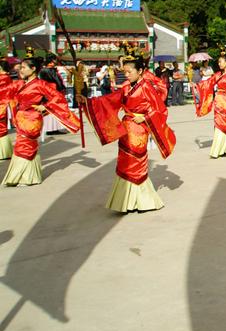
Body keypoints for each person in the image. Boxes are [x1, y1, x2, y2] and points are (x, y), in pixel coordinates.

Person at [80, 47, 176, 212]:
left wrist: (145, 117)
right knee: (125, 161)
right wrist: (87, 101)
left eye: (130, 71)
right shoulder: (125, 87)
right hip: (126, 127)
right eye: (125, 71)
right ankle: (127, 201)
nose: (127, 74)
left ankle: (143, 200)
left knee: (136, 161)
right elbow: (109, 100)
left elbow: (160, 109)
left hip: (139, 128)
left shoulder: (146, 87)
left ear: (140, 71)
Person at [2, 49, 80, 186]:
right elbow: (5, 90)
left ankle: (25, 177)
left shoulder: (41, 84)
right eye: (21, 67)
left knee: (24, 145)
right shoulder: (20, 83)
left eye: (24, 67)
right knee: (23, 145)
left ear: (33, 69)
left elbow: (58, 97)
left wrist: (46, 106)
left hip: (32, 119)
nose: (21, 70)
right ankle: (28, 176)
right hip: (21, 118)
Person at [192, 48, 226, 158]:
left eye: (221, 62)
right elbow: (208, 82)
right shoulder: (218, 74)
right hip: (219, 101)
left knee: (223, 125)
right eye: (219, 62)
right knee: (218, 125)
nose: (219, 64)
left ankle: (218, 150)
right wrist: (197, 85)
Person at [39, 53, 69, 135]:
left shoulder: (45, 70)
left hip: (48, 92)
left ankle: (53, 128)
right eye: (54, 59)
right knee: (53, 109)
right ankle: (52, 129)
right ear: (52, 60)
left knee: (52, 110)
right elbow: (57, 82)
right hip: (53, 92)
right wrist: (62, 88)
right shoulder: (49, 70)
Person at [0, 60, 14, 160]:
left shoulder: (3, 78)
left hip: (2, 104)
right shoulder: (7, 78)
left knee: (1, 127)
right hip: (4, 104)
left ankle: (3, 152)